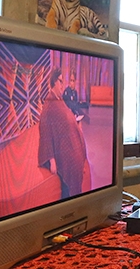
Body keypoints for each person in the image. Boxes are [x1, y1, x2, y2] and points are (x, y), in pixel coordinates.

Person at [39, 67, 89, 198]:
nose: (63, 84)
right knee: (72, 166)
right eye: (60, 81)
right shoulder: (50, 102)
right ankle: (69, 200)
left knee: (77, 160)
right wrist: (52, 160)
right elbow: (45, 131)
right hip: (60, 150)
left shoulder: (58, 98)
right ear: (54, 81)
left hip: (67, 143)